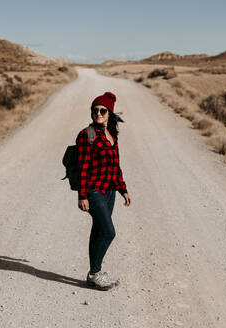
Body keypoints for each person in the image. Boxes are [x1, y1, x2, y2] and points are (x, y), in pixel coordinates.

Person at [76, 91, 131, 290]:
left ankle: (93, 273)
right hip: (93, 191)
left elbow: (115, 166)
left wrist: (122, 189)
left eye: (102, 111)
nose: (98, 114)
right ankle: (95, 273)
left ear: (110, 114)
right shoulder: (87, 135)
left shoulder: (112, 135)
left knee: (98, 229)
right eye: (95, 110)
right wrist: (82, 195)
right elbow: (82, 166)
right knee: (109, 232)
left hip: (109, 192)